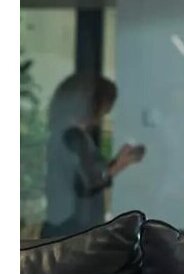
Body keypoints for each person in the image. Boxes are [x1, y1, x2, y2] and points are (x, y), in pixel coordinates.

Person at [43, 73, 145, 238]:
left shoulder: (61, 132)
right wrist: (120, 163)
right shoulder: (74, 136)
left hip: (61, 224)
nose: (104, 114)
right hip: (74, 229)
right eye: (104, 107)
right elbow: (90, 180)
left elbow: (84, 174)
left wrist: (116, 163)